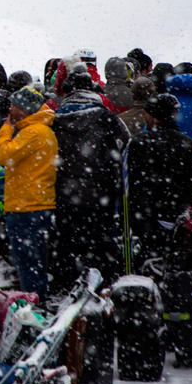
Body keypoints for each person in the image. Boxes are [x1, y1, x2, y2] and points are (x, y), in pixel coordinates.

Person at [51, 71, 128, 291]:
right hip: (98, 192)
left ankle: (65, 285)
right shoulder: (106, 118)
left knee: (66, 242)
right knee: (97, 241)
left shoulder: (55, 119)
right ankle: (99, 285)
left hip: (65, 191)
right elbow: (116, 156)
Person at [0, 85, 57, 299]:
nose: (10, 107)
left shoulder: (32, 132)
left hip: (25, 206)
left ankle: (32, 305)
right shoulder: (43, 129)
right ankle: (38, 300)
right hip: (38, 204)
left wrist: (5, 130)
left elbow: (4, 156)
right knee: (36, 263)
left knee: (27, 264)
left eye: (14, 104)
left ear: (25, 109)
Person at [125, 94, 192, 262]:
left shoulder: (138, 143)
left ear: (153, 116)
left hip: (147, 216)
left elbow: (132, 183)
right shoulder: (187, 143)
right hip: (178, 214)